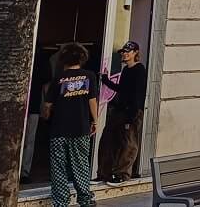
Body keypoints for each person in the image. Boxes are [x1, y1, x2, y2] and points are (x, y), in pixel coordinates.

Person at [43, 42, 98, 207]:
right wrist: (95, 120)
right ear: (82, 59)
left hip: (59, 130)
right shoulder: (89, 76)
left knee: (58, 166)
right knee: (81, 163)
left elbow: (47, 105)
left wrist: (46, 117)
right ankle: (85, 199)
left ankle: (61, 202)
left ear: (63, 60)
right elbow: (92, 101)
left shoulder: (58, 78)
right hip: (80, 129)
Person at [97, 41, 147, 183]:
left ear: (135, 52)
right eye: (123, 52)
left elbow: (137, 94)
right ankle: (104, 173)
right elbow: (122, 89)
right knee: (107, 140)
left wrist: (131, 116)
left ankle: (122, 174)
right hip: (120, 110)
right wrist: (106, 80)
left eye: (128, 51)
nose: (124, 54)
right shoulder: (126, 70)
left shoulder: (139, 70)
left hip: (131, 111)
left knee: (128, 143)